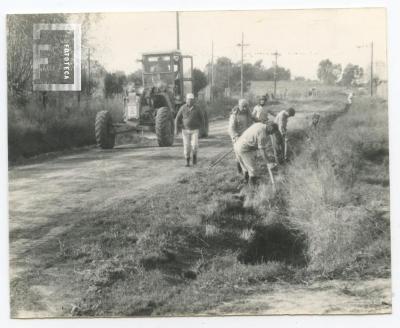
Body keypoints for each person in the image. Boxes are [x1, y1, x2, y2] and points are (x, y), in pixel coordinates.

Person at [234, 121, 279, 186]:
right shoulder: (263, 133)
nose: (271, 134)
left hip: (237, 144)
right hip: (244, 149)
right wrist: (268, 162)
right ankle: (253, 189)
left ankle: (246, 182)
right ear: (270, 127)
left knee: (246, 168)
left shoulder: (259, 124)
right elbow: (262, 150)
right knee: (253, 170)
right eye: (272, 132)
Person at [175, 93, 205, 167]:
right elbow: (177, 118)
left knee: (194, 145)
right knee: (187, 146)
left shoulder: (197, 108)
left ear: (193, 100)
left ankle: (194, 156)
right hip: (185, 131)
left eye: (191, 100)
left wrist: (202, 129)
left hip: (195, 130)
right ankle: (187, 161)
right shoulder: (182, 108)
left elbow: (202, 118)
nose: (190, 101)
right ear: (186, 100)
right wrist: (176, 129)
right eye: (188, 99)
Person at [228, 99, 253, 174]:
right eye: (243, 107)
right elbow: (231, 128)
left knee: (246, 154)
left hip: (246, 136)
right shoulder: (234, 115)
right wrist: (235, 137)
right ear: (239, 106)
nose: (245, 108)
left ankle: (247, 170)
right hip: (237, 137)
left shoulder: (248, 113)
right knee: (238, 154)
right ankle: (240, 171)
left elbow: (252, 119)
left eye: (246, 106)